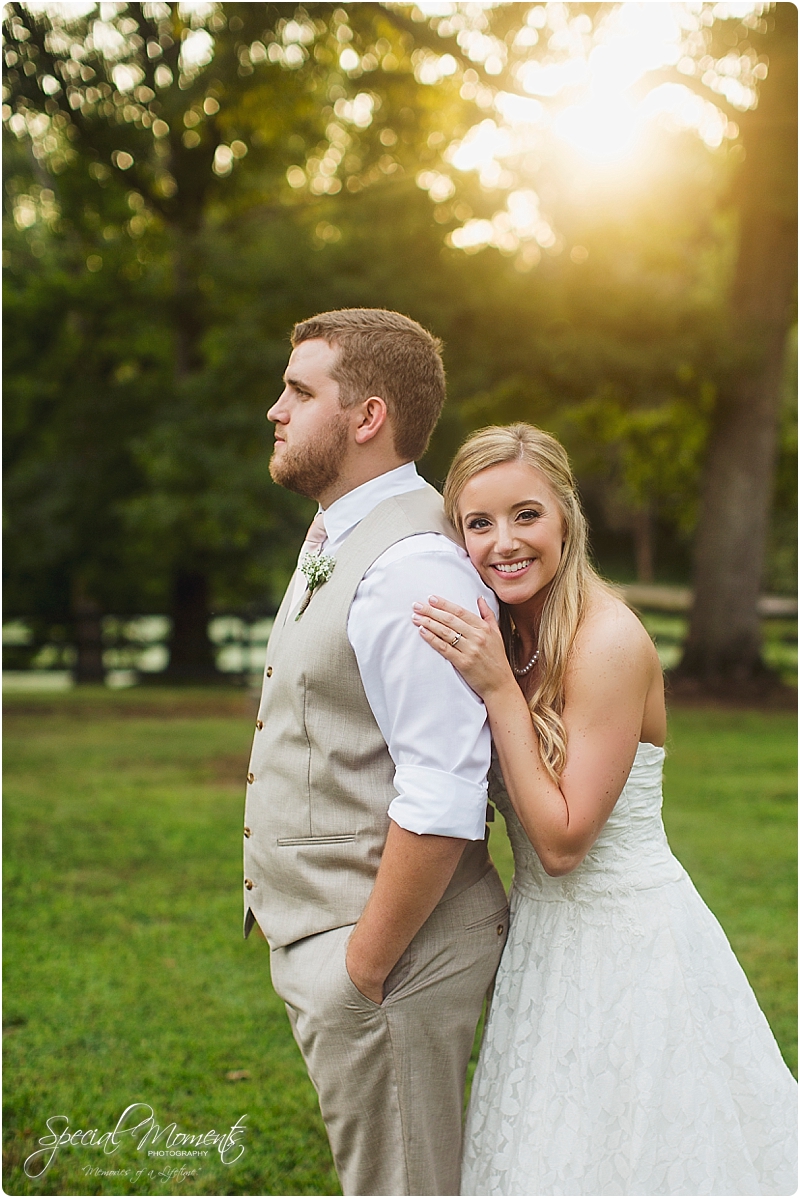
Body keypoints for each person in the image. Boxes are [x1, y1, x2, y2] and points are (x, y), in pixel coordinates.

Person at [412, 422, 797, 1197]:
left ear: (566, 519)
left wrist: (495, 693)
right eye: (477, 523)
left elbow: (560, 844)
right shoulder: (510, 637)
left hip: (633, 950)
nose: (503, 542)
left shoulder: (607, 643)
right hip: (543, 948)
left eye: (527, 515)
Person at [242, 309, 508, 1197]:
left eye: (299, 390)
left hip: (391, 959)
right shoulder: (344, 528)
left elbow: (444, 790)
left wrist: (362, 971)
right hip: (355, 945)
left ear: (367, 417)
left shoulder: (410, 566)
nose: (275, 410)